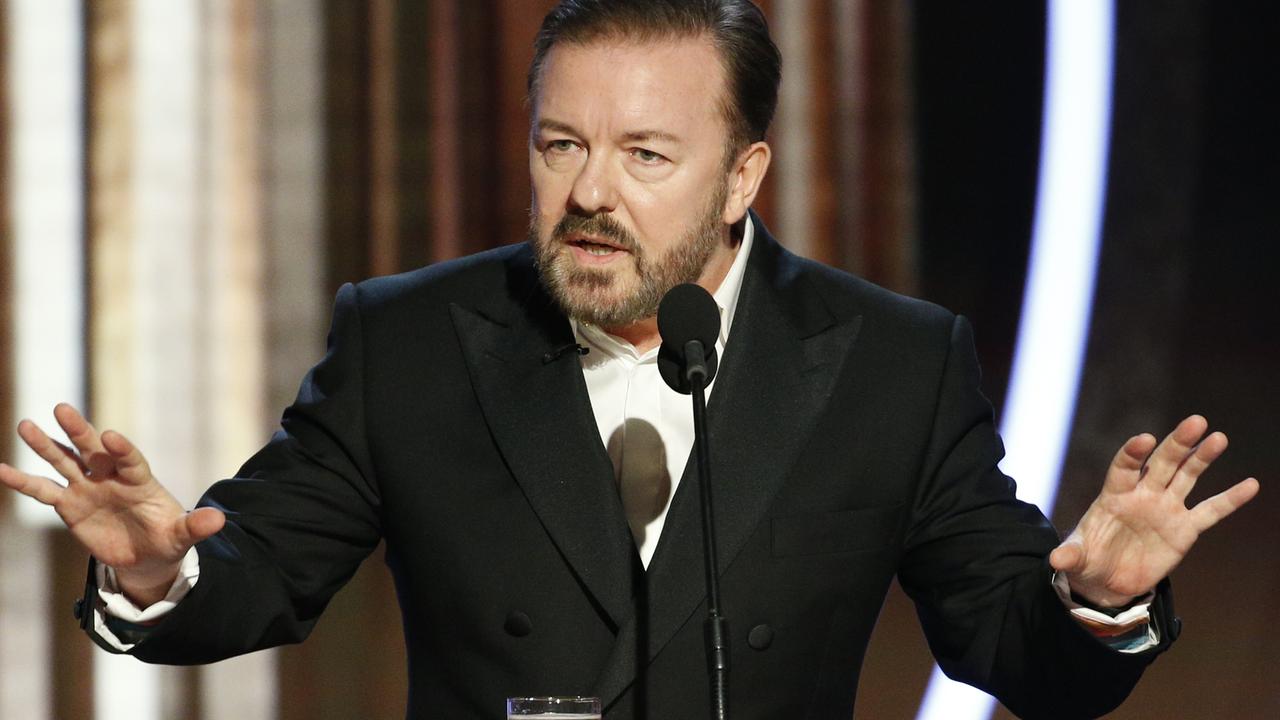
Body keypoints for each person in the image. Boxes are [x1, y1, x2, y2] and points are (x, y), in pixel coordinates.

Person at [0, 1, 1259, 718]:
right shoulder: (414, 340)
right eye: (560, 146)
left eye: (645, 157)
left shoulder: (889, 360)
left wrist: (1093, 600)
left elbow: (1005, 646)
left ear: (741, 175)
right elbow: (262, 572)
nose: (589, 193)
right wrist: (162, 572)